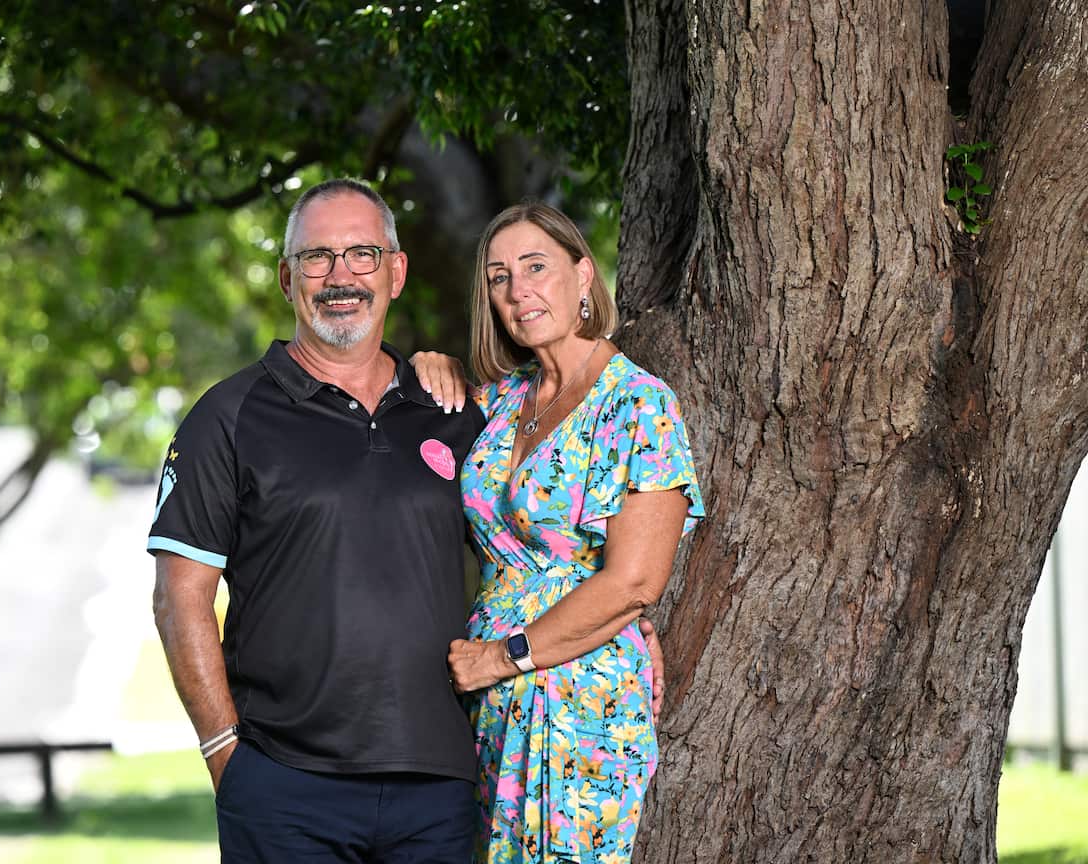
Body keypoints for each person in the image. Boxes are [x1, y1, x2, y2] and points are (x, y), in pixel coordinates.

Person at [147, 178, 486, 862]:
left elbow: (535, 546)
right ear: (285, 277)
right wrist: (226, 757)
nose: (340, 277)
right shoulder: (227, 417)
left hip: (441, 783)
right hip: (284, 787)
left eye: (362, 254)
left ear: (395, 271)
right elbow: (179, 598)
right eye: (316, 258)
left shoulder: (455, 412)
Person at [429, 202, 705, 862]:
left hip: (581, 697)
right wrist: (422, 362)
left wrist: (502, 656)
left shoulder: (636, 403)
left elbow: (635, 580)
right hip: (492, 703)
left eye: (536, 267)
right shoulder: (502, 401)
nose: (518, 290)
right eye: (499, 277)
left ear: (583, 275)